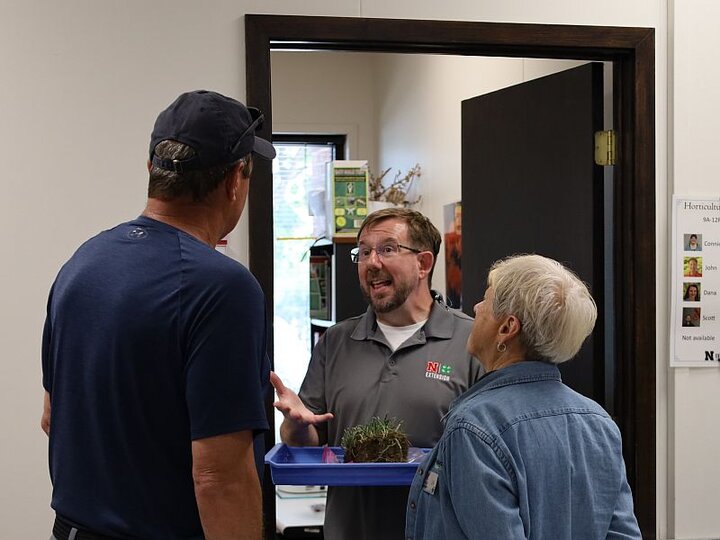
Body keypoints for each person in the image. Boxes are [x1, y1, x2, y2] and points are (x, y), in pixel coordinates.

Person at [41, 90, 275, 540]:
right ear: (234, 182)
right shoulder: (224, 288)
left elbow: (53, 415)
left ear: (152, 171)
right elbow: (219, 479)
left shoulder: (81, 264)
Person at [271, 207, 483, 540]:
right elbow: (310, 443)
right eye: (364, 252)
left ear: (424, 263)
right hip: (350, 530)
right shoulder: (336, 342)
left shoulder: (471, 341)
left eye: (387, 249)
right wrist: (296, 426)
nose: (372, 263)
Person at [406, 254, 641, 539]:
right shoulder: (598, 422)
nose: (477, 308)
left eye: (486, 300)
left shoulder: (475, 427)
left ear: (507, 328)